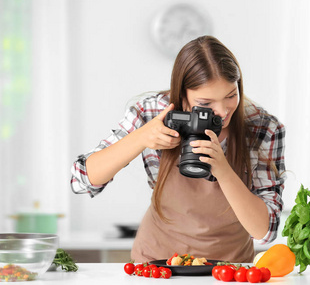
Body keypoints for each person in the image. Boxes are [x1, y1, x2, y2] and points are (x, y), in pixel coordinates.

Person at [70, 35, 286, 263]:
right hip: (157, 264)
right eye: (205, 104)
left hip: (227, 269)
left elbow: (265, 231)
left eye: (231, 96)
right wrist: (140, 137)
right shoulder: (153, 113)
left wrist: (222, 170)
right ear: (183, 97)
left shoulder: (262, 127)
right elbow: (81, 181)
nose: (222, 112)